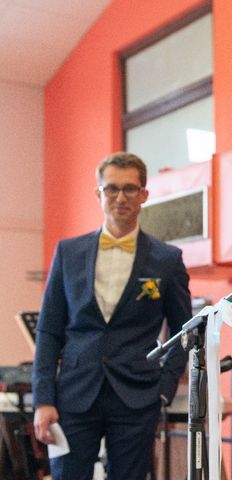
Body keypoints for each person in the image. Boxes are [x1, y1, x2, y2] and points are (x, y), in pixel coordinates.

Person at [32, 152, 191, 480]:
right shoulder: (68, 253)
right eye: (112, 188)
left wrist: (163, 387)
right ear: (99, 193)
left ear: (144, 194)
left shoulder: (167, 259)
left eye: (130, 189)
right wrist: (43, 399)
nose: (121, 197)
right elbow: (48, 331)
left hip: (137, 397)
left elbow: (184, 332)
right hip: (73, 395)